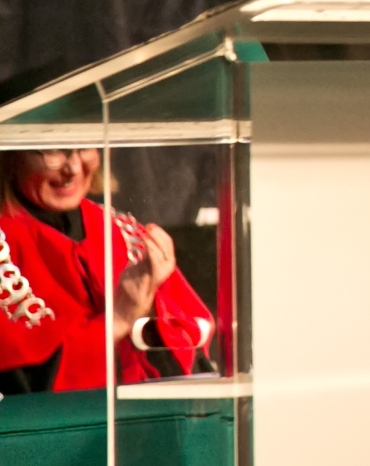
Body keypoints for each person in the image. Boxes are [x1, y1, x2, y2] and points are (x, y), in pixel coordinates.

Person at [1, 148, 214, 393]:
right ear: (12, 155)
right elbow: (21, 388)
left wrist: (151, 311)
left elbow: (194, 364)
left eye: (84, 149)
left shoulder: (127, 235)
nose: (73, 169)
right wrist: (119, 318)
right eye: (53, 152)